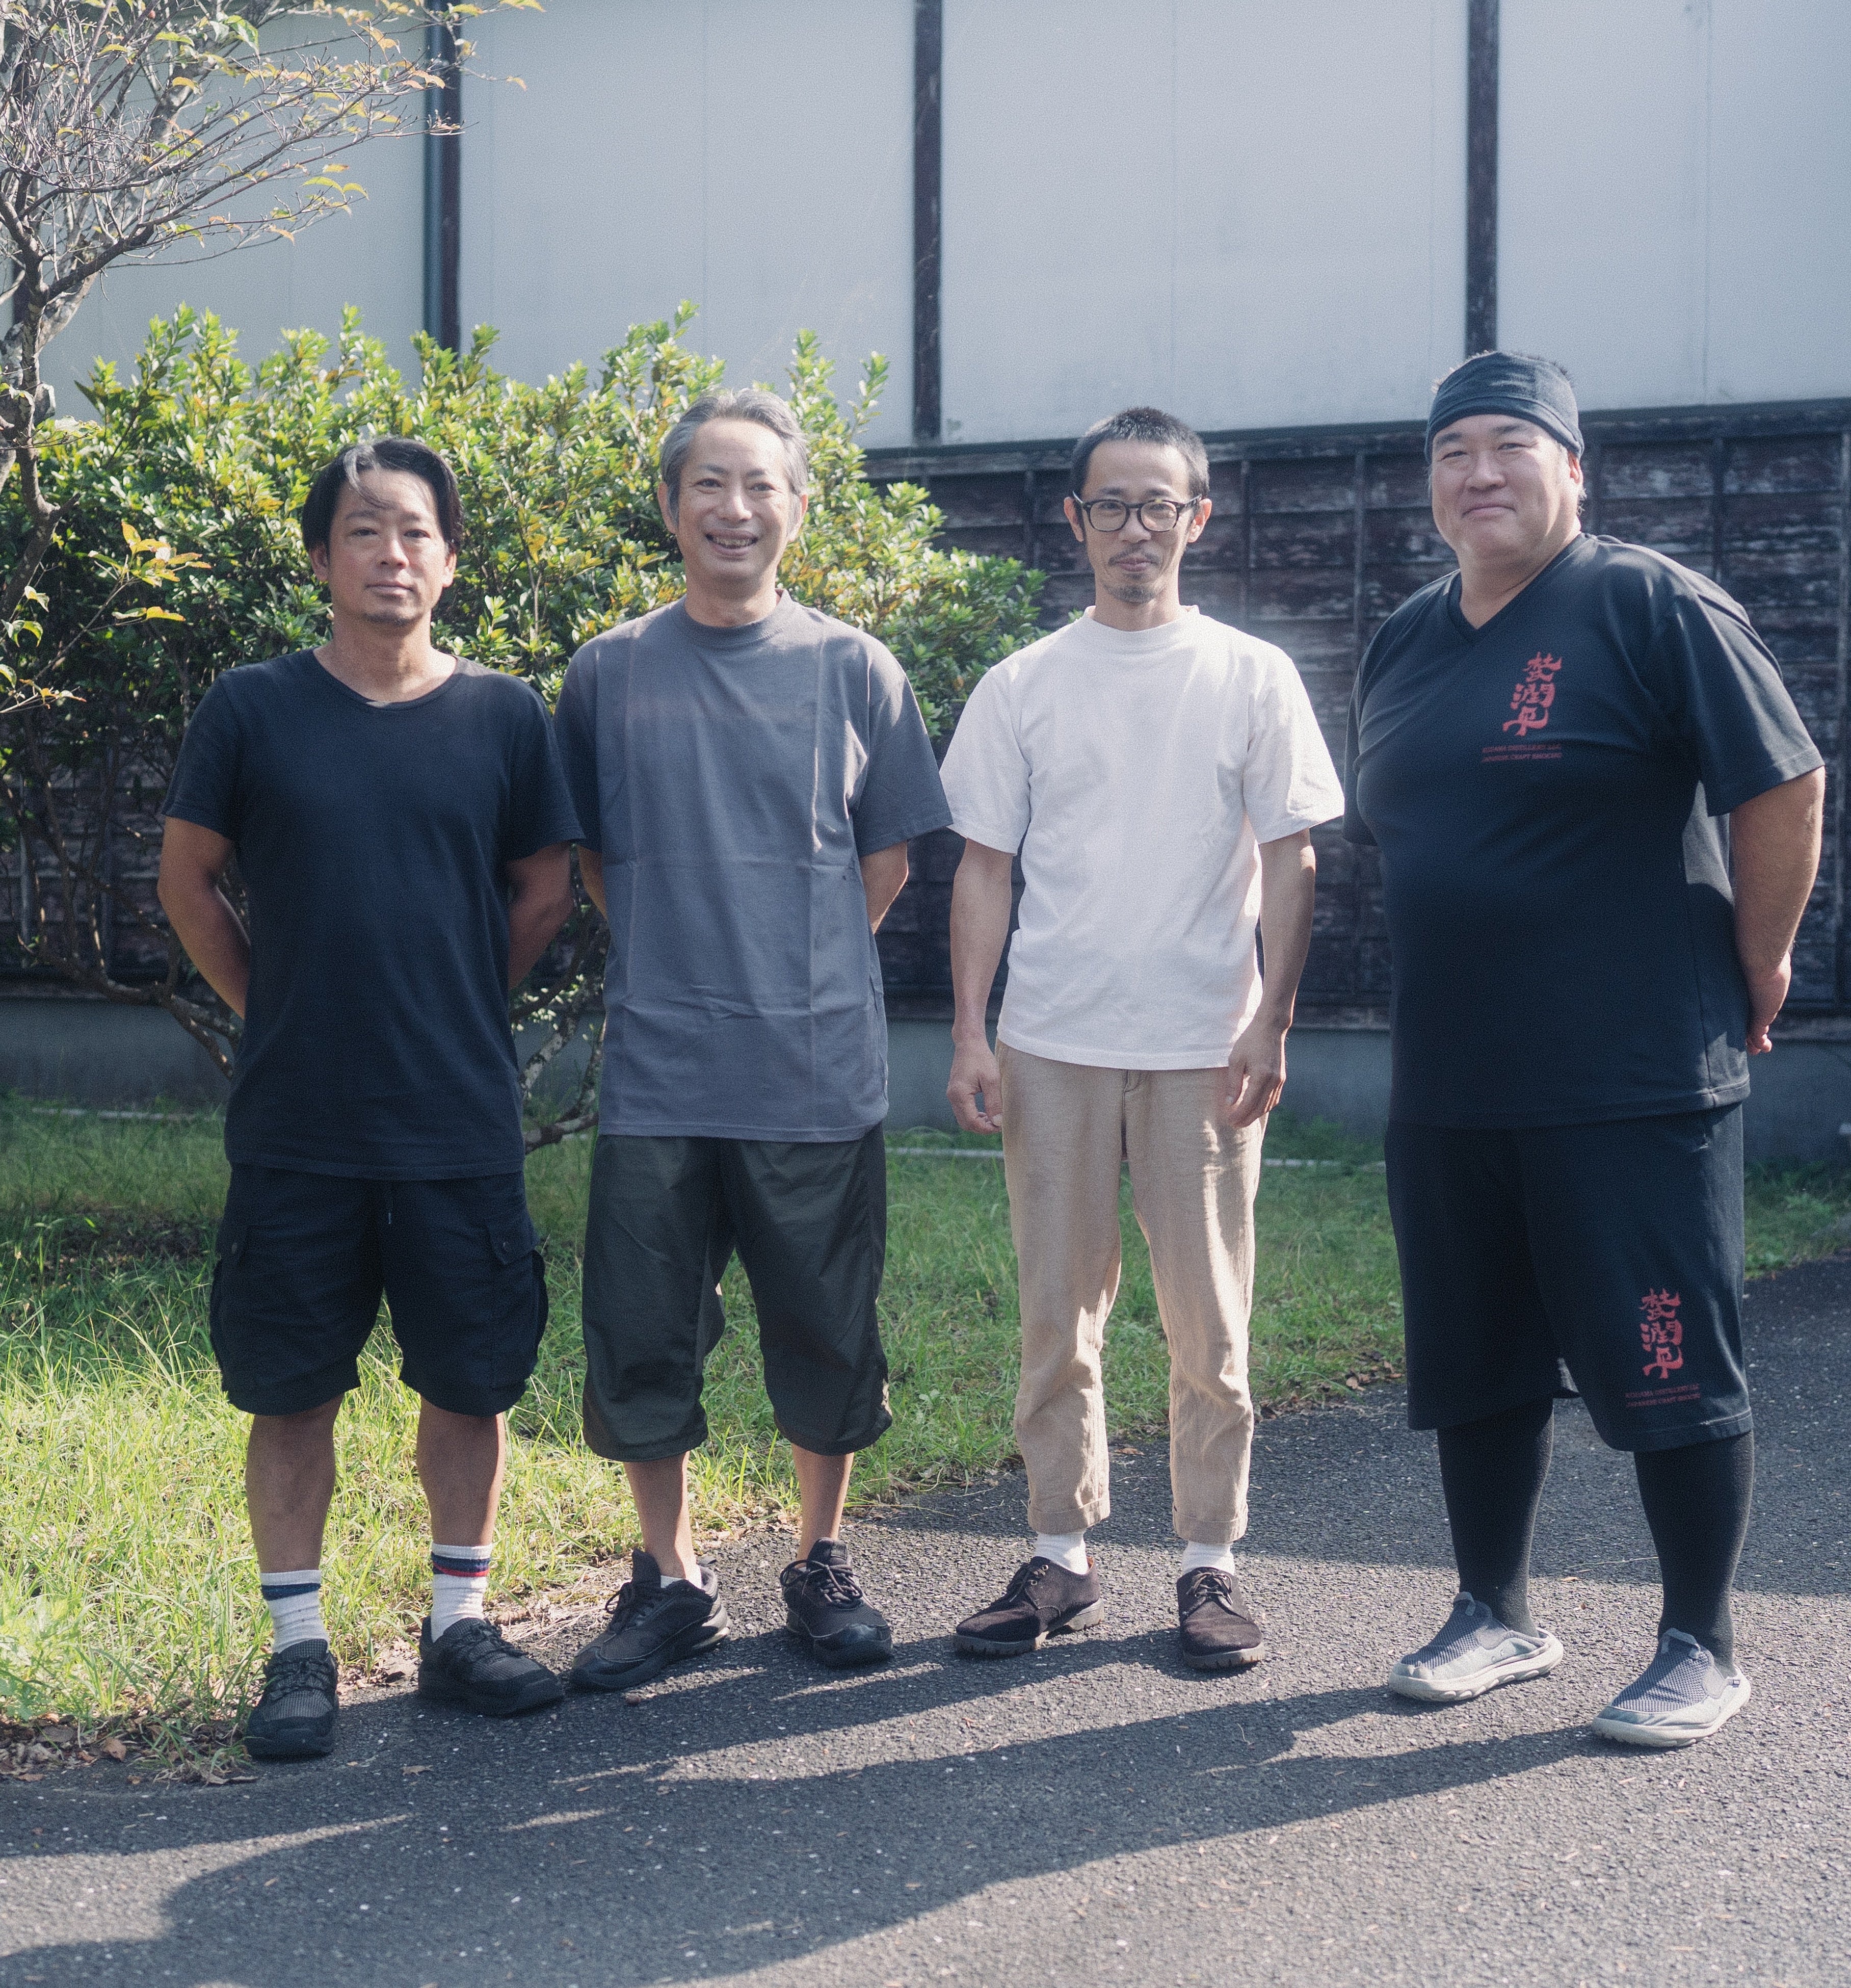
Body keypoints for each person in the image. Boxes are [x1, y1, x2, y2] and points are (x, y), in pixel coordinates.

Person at [1345, 351, 1825, 1747]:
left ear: (1572, 469)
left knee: (1668, 1352)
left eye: (1510, 445)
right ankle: (1493, 1611)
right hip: (1452, 1075)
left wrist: (1759, 956)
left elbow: (1785, 780)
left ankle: (1699, 1642)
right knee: (1477, 1357)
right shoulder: (1406, 637)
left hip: (1630, 1070)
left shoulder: (1649, 604)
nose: (1478, 474)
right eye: (1452, 452)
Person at [157, 437, 584, 1761]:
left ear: (449, 560)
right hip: (300, 1123)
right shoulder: (252, 708)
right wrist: (273, 1006)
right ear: (320, 557)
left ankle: (461, 1625)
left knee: (471, 1379)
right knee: (291, 1391)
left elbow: (545, 888)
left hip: (455, 1115)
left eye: (414, 533)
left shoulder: (506, 716)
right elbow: (187, 882)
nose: (391, 555)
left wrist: (453, 995)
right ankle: (299, 1649)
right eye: (363, 531)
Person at [552, 389, 951, 1686]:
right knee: (641, 1329)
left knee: (826, 1326)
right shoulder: (609, 672)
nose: (735, 508)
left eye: (760, 484)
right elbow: (596, 859)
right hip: (659, 1068)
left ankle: (820, 1561)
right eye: (709, 485)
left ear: (799, 507)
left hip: (812, 1067)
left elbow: (883, 865)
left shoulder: (855, 669)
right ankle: (670, 1580)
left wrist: (794, 961)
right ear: (671, 507)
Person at [942, 406, 1343, 1671]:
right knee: (1056, 1311)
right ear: (1077, 521)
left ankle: (1208, 1563)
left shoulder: (1251, 675)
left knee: (1207, 1321)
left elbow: (1292, 858)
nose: (1133, 529)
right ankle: (1060, 1556)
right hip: (1052, 1039)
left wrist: (1273, 1018)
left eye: (1157, 504)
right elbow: (984, 869)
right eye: (1109, 505)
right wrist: (971, 1031)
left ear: (1196, 519)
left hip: (1204, 1042)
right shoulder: (1024, 684)